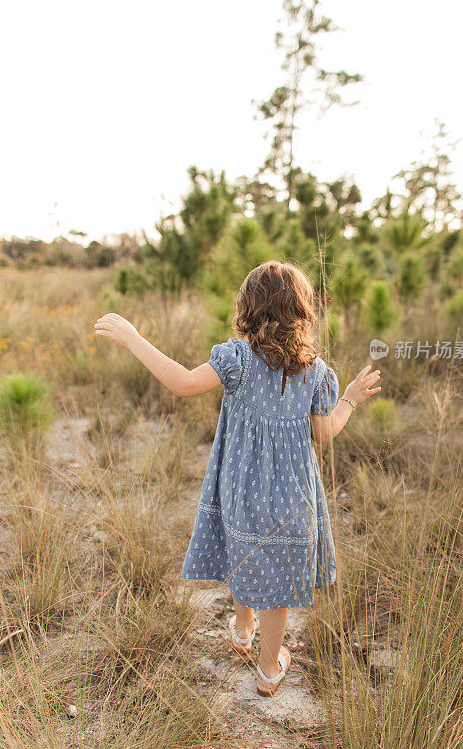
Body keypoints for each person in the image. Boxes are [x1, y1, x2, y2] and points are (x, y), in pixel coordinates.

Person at [94, 260, 381, 696]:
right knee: (279, 580)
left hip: (240, 488)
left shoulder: (237, 360)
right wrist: (350, 400)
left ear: (250, 309)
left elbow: (185, 384)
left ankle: (243, 631)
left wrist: (135, 340)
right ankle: (269, 669)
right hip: (293, 497)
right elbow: (323, 432)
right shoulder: (317, 373)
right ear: (302, 313)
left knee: (243, 550)